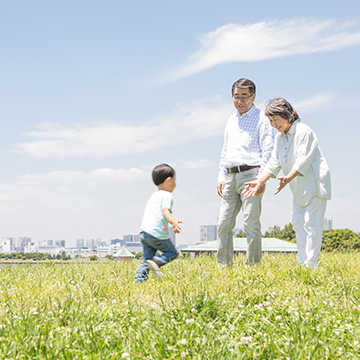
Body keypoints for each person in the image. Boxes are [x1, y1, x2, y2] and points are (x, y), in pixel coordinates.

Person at [242, 98, 331, 269]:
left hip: (315, 183)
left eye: (276, 119)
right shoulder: (280, 138)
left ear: (288, 115)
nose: (274, 124)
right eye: (271, 121)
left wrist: (288, 177)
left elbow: (303, 160)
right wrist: (260, 180)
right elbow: (273, 162)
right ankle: (302, 263)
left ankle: (312, 265)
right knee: (298, 223)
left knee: (312, 224)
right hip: (297, 186)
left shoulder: (304, 131)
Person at [217, 78, 274, 266]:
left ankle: (253, 266)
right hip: (230, 177)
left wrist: (261, 180)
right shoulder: (230, 120)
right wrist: (221, 176)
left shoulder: (262, 119)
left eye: (244, 96)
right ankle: (223, 266)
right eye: (236, 96)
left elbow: (267, 150)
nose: (240, 101)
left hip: (252, 175)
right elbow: (225, 150)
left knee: (251, 223)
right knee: (223, 224)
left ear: (253, 96)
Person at [135, 163, 182, 283]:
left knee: (147, 259)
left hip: (144, 233)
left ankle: (139, 281)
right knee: (172, 252)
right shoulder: (167, 196)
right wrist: (173, 222)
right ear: (169, 180)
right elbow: (165, 210)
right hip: (156, 234)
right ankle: (157, 262)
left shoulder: (154, 195)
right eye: (175, 180)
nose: (175, 184)